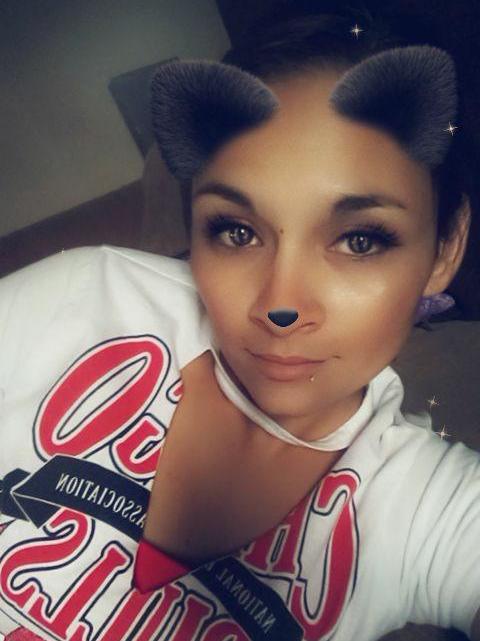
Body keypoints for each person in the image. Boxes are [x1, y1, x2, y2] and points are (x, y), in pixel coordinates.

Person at [0, 3, 478, 641]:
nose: (280, 306)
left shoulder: (428, 509)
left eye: (359, 240)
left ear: (445, 249)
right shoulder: (85, 294)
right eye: (237, 231)